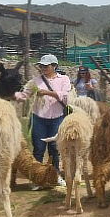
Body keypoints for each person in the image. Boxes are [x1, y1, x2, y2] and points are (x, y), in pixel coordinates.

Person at [15, 54, 71, 190]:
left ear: (54, 66)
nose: (43, 68)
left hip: (57, 118)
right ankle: (37, 178)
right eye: (42, 66)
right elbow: (24, 95)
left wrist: (47, 93)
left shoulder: (64, 79)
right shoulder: (35, 81)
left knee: (54, 148)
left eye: (46, 66)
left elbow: (65, 95)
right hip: (39, 118)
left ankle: (56, 176)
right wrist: (14, 94)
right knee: (38, 149)